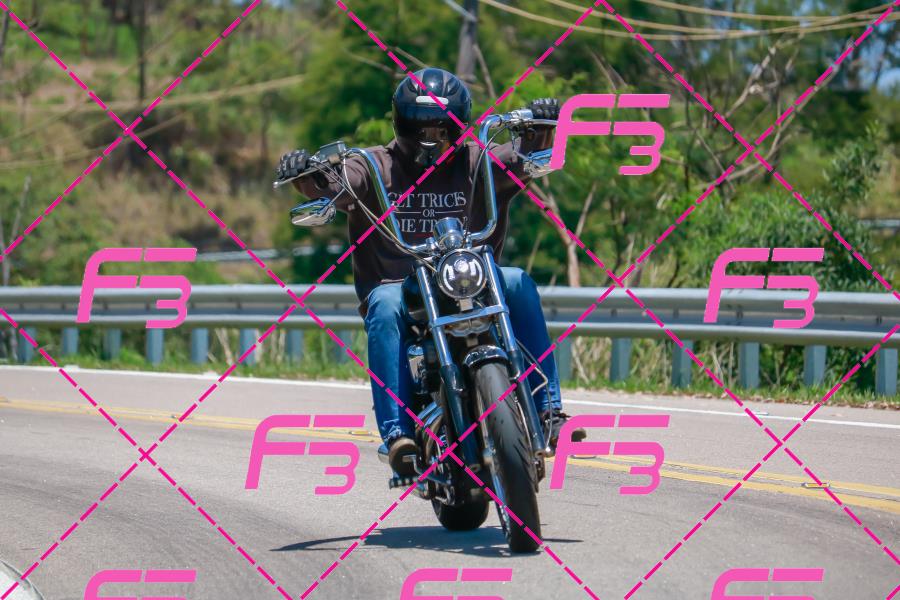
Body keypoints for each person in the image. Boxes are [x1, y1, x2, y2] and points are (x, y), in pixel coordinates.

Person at [276, 67, 583, 476]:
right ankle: (397, 435)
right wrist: (305, 173)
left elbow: (527, 156)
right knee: (384, 305)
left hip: (472, 280)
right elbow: (330, 184)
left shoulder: (479, 161)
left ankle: (548, 411)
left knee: (518, 282)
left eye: (441, 127)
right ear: (401, 123)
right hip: (403, 289)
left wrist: (544, 125)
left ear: (459, 124)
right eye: (420, 126)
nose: (431, 137)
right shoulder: (373, 165)